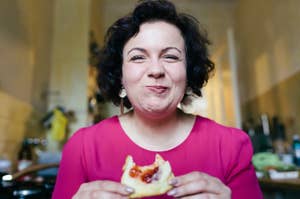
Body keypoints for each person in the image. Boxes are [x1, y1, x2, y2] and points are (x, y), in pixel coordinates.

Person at [52, 0, 263, 198]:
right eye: (138, 57)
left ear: (188, 72)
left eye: (170, 56)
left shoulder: (231, 146)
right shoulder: (82, 147)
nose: (155, 70)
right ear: (120, 75)